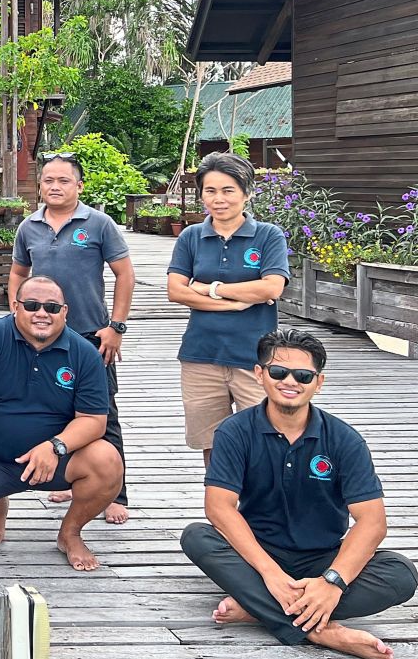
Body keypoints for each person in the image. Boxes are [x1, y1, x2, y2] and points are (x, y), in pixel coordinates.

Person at [181, 329, 418, 659]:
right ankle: (320, 632)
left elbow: (373, 523)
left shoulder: (344, 439)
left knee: (401, 573)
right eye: (278, 372)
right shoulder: (234, 431)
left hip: (322, 557)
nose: (289, 381)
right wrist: (271, 574)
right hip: (259, 554)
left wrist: (332, 582)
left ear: (318, 383)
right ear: (260, 374)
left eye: (303, 375)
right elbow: (220, 507)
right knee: (197, 536)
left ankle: (260, 608)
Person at [0, 276, 122, 572]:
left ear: (65, 311)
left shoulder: (84, 353)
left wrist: (55, 447)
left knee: (108, 461)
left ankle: (70, 533)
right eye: (32, 305)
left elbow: (94, 421)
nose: (41, 313)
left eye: (51, 306)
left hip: (54, 459)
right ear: (15, 306)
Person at [10, 152, 136, 524]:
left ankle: (116, 492)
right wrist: (18, 311)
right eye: (48, 180)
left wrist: (117, 326)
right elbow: (17, 273)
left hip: (91, 334)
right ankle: (67, 478)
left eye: (63, 181)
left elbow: (124, 275)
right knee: (54, 408)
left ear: (79, 186)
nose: (55, 186)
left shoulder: (98, 224)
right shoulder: (28, 227)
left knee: (103, 412)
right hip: (44, 336)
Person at [167, 152, 289, 466]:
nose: (218, 199)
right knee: (212, 442)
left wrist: (210, 288)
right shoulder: (192, 236)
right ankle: (221, 511)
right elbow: (175, 290)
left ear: (246, 193)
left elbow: (272, 287)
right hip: (201, 354)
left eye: (228, 190)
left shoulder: (268, 236)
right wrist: (235, 303)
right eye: (210, 191)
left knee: (264, 439)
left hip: (255, 357)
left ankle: (260, 512)